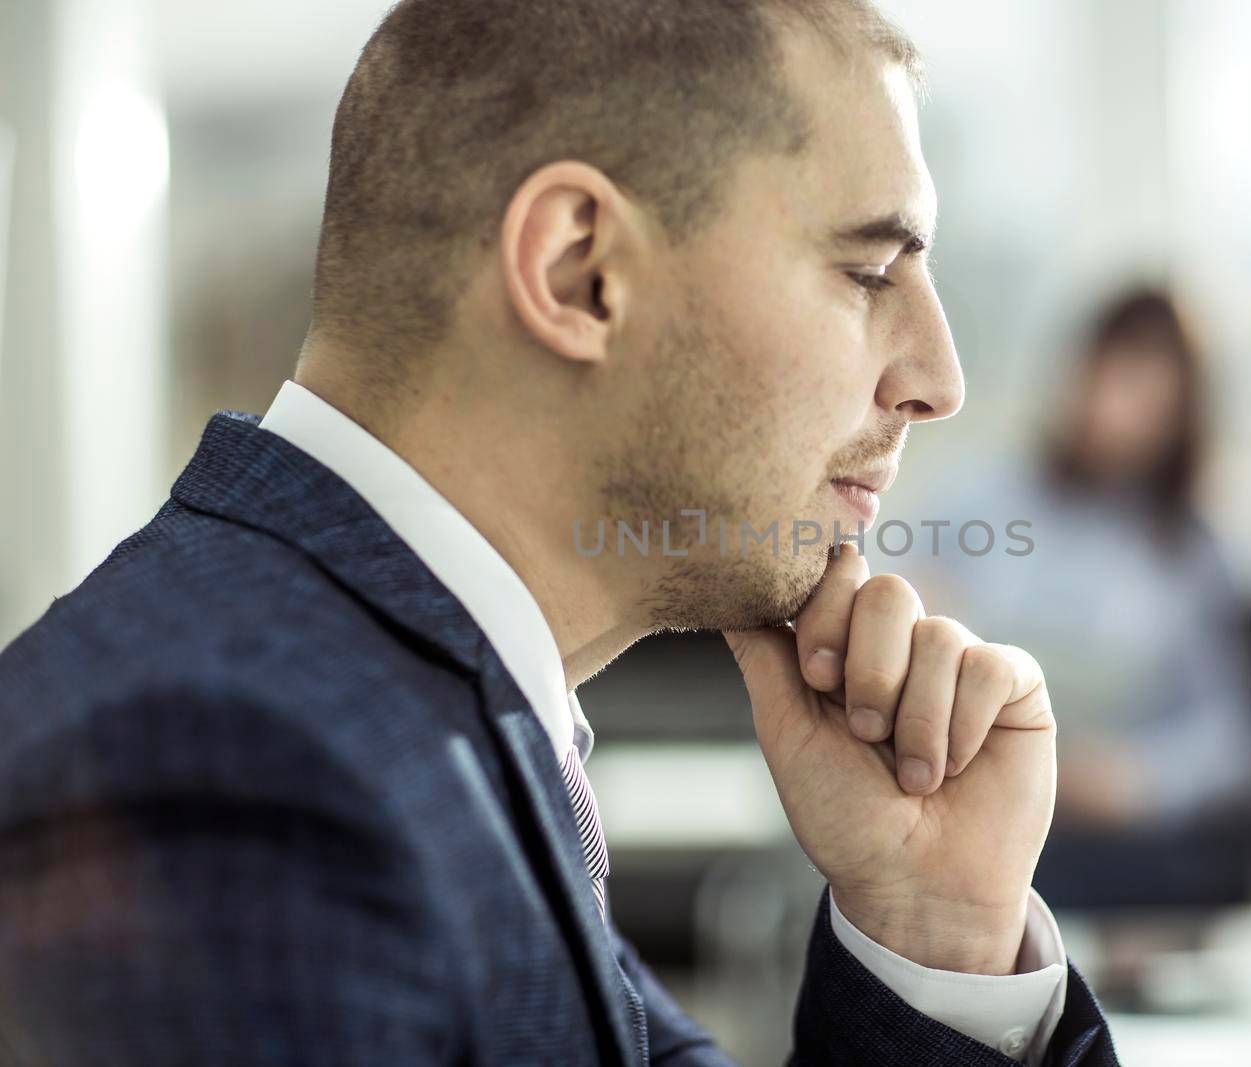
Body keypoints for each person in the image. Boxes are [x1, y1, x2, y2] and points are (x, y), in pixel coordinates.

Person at [0, 2, 1119, 1065]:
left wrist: (934, 926)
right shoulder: (235, 783)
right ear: (579, 270)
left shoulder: (411, 732)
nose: (939, 380)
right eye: (869, 269)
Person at [915, 288, 1251, 910]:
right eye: (1118, 381)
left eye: (1155, 402)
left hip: (1109, 844)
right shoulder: (986, 501)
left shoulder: (1189, 549)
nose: (1126, 416)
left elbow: (1232, 735)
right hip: (974, 799)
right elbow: (901, 588)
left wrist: (1140, 782)